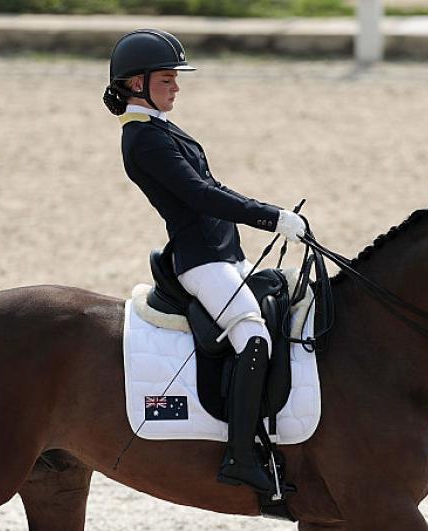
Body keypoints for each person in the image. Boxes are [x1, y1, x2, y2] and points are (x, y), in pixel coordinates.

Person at [104, 29, 306, 494]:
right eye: (167, 79)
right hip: (201, 260)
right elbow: (199, 195)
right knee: (253, 337)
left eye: (176, 78)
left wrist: (273, 213)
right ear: (137, 84)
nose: (176, 87)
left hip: (223, 253)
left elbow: (215, 186)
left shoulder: (160, 128)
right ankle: (239, 455)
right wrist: (269, 217)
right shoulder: (144, 138)